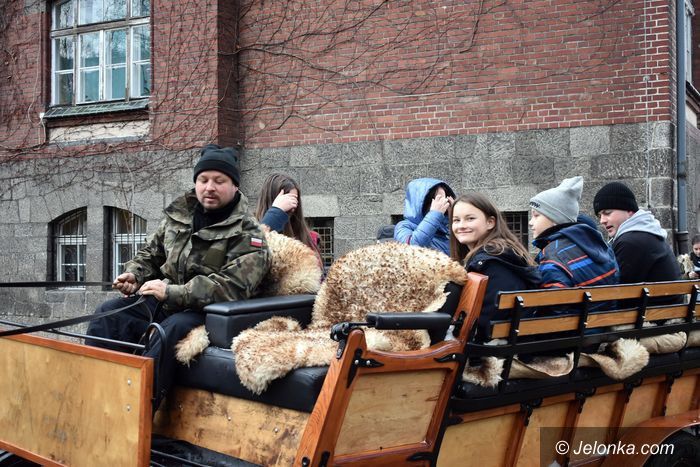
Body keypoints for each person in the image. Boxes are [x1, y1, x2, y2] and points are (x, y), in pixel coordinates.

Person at [86, 144, 271, 412]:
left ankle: (135, 411)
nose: (210, 187)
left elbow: (232, 287)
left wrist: (172, 292)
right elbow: (152, 253)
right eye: (203, 180)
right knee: (109, 314)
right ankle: (95, 398)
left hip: (210, 314)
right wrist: (134, 274)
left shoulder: (249, 234)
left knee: (168, 331)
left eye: (219, 181)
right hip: (167, 301)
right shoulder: (180, 215)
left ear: (234, 186)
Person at [450, 192, 541, 341]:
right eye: (456, 220)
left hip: (492, 347)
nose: (461, 226)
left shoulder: (491, 262)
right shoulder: (504, 252)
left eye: (470, 218)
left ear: (490, 222)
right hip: (511, 340)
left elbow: (488, 318)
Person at [529, 176, 619, 311]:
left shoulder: (553, 254)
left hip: (574, 324)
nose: (530, 222)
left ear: (555, 219)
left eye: (536, 215)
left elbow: (553, 310)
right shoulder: (600, 244)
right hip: (605, 321)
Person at [592, 181, 680, 284]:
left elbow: (614, 287)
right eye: (599, 216)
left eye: (607, 213)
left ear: (629, 210)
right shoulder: (645, 234)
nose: (602, 221)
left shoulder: (630, 242)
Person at [255, 173, 322, 266]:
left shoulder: (310, 238)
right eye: (286, 200)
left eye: (294, 199)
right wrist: (276, 212)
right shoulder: (249, 229)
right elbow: (253, 256)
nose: (292, 206)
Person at [394, 178, 456, 255]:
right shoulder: (403, 226)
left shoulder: (445, 227)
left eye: (445, 199)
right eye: (438, 199)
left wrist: (455, 217)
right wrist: (435, 214)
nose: (443, 203)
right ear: (424, 202)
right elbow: (412, 249)